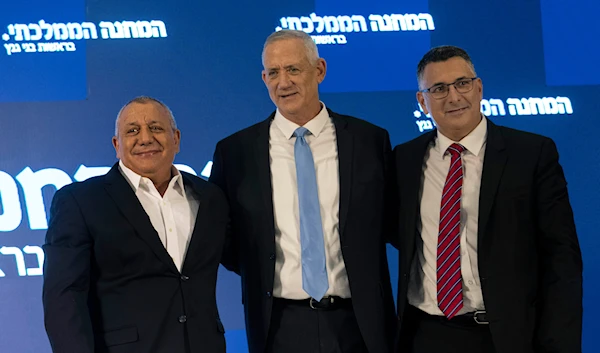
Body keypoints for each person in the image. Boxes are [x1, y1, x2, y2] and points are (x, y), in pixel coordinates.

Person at [209, 30, 396, 353]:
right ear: (264, 78)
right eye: (273, 73)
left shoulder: (369, 141)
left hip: (359, 322)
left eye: (293, 69)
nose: (283, 82)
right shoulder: (234, 152)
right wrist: (263, 267)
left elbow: (392, 221)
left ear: (319, 70)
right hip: (277, 325)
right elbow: (222, 238)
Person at [392, 45, 583, 353]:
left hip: (505, 337)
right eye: (438, 89)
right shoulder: (405, 159)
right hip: (424, 335)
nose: (453, 97)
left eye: (462, 83)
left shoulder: (531, 154)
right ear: (422, 102)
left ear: (478, 88)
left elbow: (562, 259)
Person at [42, 96, 228, 353]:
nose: (145, 138)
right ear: (117, 145)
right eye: (132, 131)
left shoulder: (209, 197)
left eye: (156, 128)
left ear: (176, 139)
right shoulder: (80, 201)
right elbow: (64, 298)